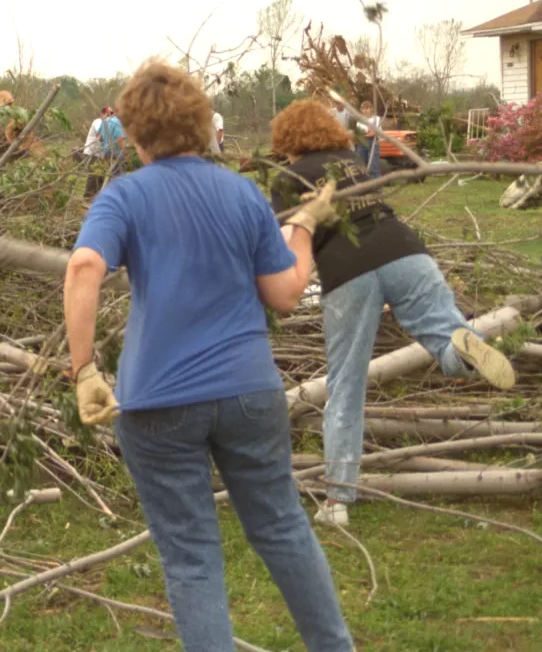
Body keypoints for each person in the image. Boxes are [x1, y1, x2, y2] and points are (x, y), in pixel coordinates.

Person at [64, 60, 353, 651]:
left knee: (192, 557)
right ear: (201, 123)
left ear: (133, 131)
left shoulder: (123, 196)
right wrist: (302, 226)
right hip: (248, 393)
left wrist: (85, 370)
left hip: (158, 402)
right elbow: (286, 294)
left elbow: (84, 266)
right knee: (282, 529)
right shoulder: (241, 193)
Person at [269, 98, 515, 527]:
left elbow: (290, 237)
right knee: (442, 332)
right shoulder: (353, 161)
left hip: (348, 270)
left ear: (289, 138)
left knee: (346, 384)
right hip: (405, 250)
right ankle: (462, 348)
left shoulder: (289, 177)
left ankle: (338, 500)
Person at [83, 106, 126, 199]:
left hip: (104, 152)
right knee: (96, 174)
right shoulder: (99, 121)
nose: (109, 115)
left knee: (102, 174)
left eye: (110, 113)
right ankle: (89, 196)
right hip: (95, 151)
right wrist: (124, 149)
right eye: (108, 114)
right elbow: (118, 138)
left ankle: (96, 196)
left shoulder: (105, 121)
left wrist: (105, 141)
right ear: (103, 114)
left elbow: (100, 136)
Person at [355, 100, 382, 178]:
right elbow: (359, 134)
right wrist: (366, 133)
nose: (365, 110)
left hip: (373, 143)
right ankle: (364, 185)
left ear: (371, 109)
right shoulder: (359, 120)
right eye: (363, 109)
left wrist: (368, 133)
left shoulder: (376, 119)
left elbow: (375, 132)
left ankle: (377, 187)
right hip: (362, 144)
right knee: (361, 164)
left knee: (373, 166)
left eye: (367, 108)